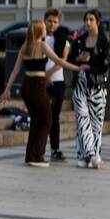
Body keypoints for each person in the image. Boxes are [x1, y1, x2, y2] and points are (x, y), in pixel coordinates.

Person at [0, 21, 85, 167]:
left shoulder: (24, 47)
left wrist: (7, 89)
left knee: (36, 120)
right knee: (47, 120)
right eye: (44, 28)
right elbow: (58, 60)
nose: (46, 29)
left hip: (27, 85)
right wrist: (77, 68)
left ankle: (30, 155)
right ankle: (37, 156)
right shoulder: (42, 45)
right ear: (40, 31)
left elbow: (15, 70)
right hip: (38, 84)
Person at [68, 10, 110, 169]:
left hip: (98, 85)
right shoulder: (79, 41)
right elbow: (69, 60)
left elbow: (106, 64)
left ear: (98, 22)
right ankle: (93, 156)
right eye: (86, 19)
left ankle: (85, 155)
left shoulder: (105, 42)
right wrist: (78, 60)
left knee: (96, 123)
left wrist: (89, 63)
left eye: (91, 19)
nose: (88, 22)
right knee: (82, 118)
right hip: (80, 83)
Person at [43, 9, 72, 162]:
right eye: (50, 21)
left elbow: (62, 61)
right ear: (45, 21)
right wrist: (43, 76)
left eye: (55, 22)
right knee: (43, 116)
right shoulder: (39, 38)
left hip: (57, 81)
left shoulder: (63, 39)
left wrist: (48, 75)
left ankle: (55, 149)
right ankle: (39, 148)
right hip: (41, 82)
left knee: (54, 116)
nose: (52, 24)